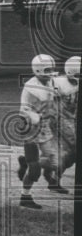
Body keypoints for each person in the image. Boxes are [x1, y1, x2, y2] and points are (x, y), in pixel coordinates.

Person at [17, 54, 66, 208]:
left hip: (44, 126)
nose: (50, 72)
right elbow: (27, 112)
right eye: (47, 69)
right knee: (35, 170)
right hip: (30, 127)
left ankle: (26, 162)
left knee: (56, 162)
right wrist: (35, 117)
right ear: (38, 70)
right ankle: (25, 197)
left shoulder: (50, 81)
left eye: (51, 68)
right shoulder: (32, 87)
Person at [50, 56, 79, 191]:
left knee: (72, 154)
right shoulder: (59, 82)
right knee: (74, 149)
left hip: (71, 119)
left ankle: (53, 177)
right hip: (60, 119)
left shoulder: (74, 84)